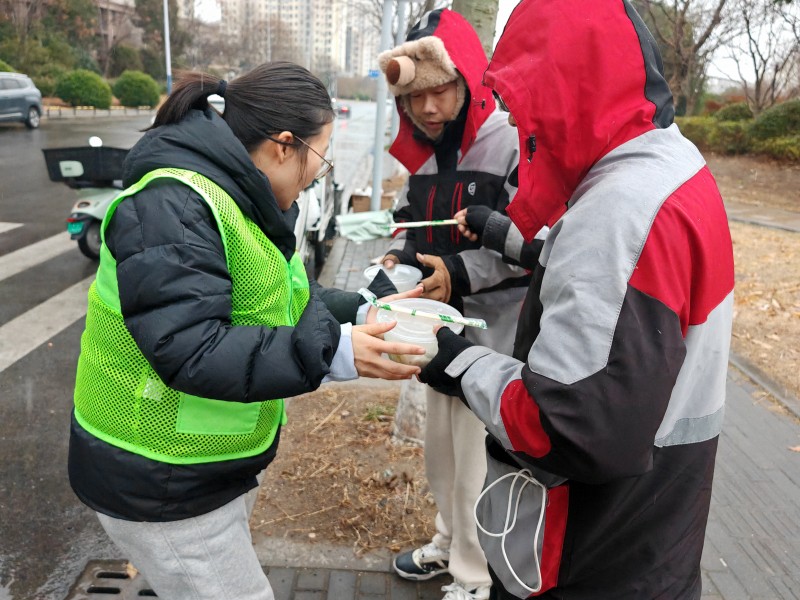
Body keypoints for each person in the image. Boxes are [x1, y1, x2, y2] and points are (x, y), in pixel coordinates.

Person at [67, 62, 427, 600]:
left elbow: (283, 296)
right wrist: (335, 351)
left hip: (206, 467)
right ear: (283, 146)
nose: (317, 174)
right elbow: (192, 350)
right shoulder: (173, 206)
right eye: (321, 156)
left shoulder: (239, 194)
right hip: (159, 478)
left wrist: (363, 309)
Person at [418, 1, 735, 598]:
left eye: (521, 105)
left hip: (590, 555)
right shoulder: (671, 167)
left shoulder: (619, 213)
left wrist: (456, 361)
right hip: (657, 529)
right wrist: (502, 234)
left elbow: (567, 425)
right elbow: (621, 291)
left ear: (562, 92)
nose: (516, 124)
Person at [377, 9, 530, 600]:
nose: (429, 108)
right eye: (414, 98)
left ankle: (477, 576)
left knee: (477, 463)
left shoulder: (509, 143)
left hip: (498, 336)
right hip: (437, 330)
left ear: (467, 79)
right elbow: (409, 220)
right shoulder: (423, 150)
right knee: (441, 456)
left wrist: (460, 272)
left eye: (440, 90)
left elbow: (531, 241)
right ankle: (450, 542)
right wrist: (398, 256)